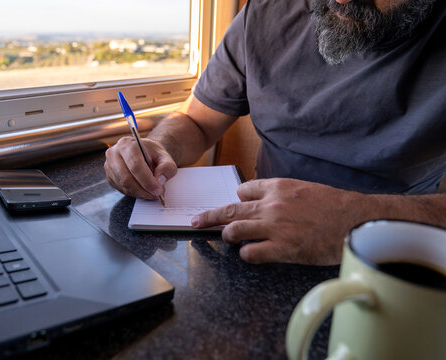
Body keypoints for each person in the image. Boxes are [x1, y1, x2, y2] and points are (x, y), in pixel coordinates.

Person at [104, 0, 446, 265]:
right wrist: (158, 147)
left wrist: (354, 219)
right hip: (250, 239)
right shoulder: (266, 13)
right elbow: (196, 122)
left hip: (399, 258)